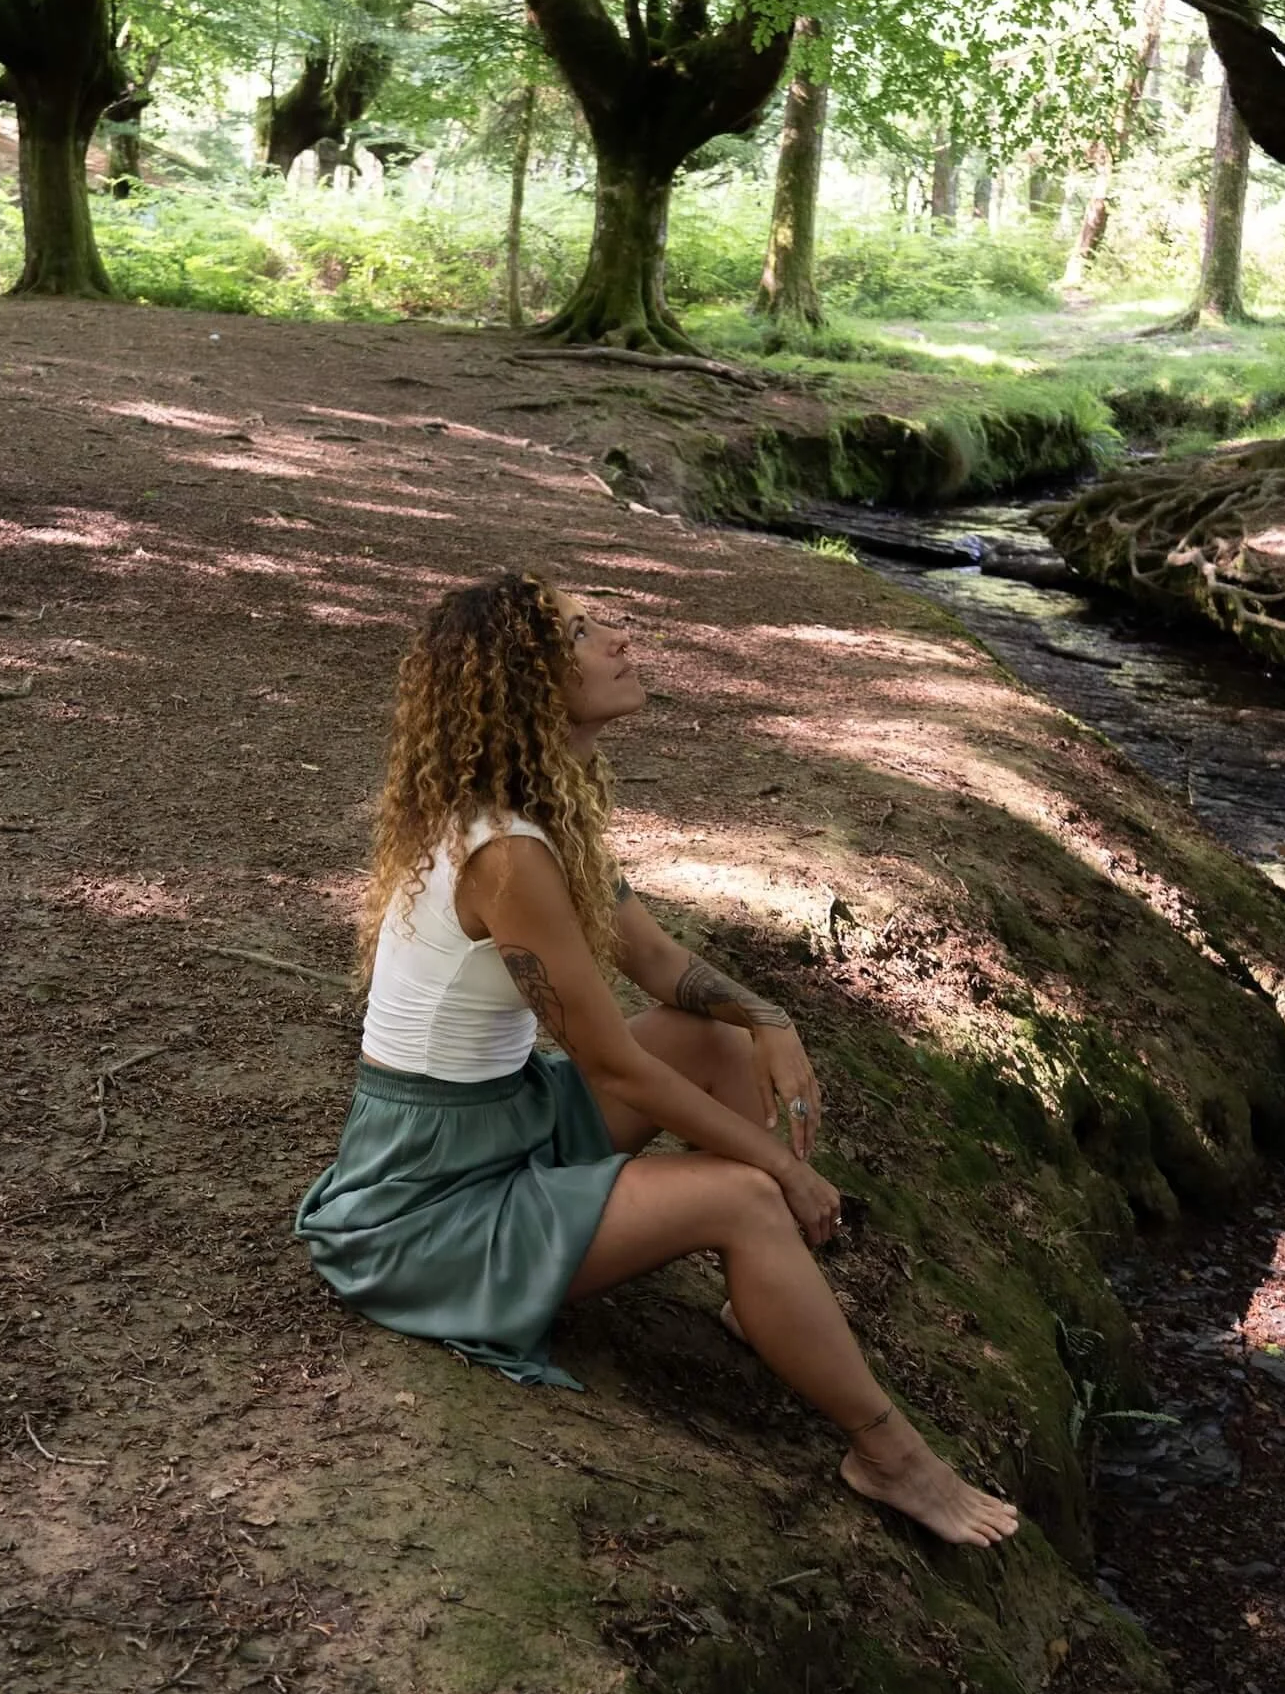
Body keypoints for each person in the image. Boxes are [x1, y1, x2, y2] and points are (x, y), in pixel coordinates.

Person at [296, 571, 1018, 1549]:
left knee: (714, 1036)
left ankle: (763, 1303)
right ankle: (889, 1455)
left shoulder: (538, 808)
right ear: (530, 682)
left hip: (503, 1125)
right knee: (745, 1196)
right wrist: (781, 1165)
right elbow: (617, 1069)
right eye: (586, 633)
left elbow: (658, 963)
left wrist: (768, 1017)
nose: (620, 639)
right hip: (431, 1206)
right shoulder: (506, 857)